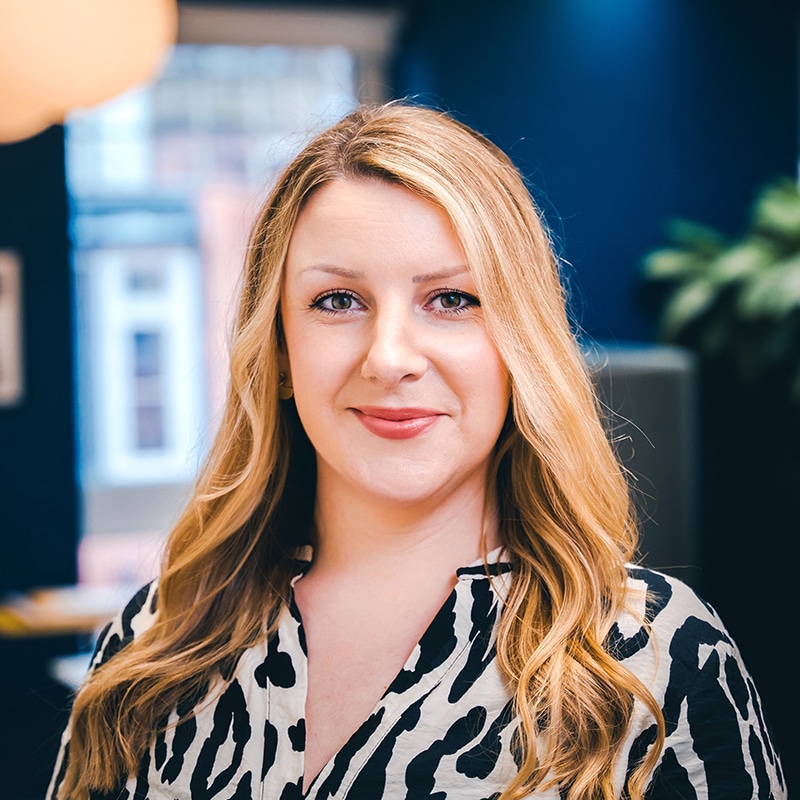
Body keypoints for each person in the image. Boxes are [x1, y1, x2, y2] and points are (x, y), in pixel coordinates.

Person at [49, 102, 785, 800]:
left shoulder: (650, 656)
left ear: (519, 345)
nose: (391, 357)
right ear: (277, 350)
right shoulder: (157, 641)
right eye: (338, 301)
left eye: (452, 300)